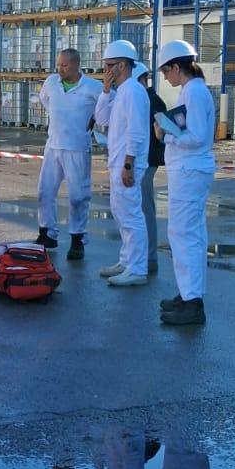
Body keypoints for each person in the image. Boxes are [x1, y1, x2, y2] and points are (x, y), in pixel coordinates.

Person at [154, 39, 216, 327]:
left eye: (166, 72)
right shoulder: (193, 91)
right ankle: (189, 294)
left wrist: (166, 133)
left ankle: (192, 302)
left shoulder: (194, 93)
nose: (166, 78)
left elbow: (198, 137)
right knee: (192, 234)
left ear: (177, 67)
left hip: (190, 171)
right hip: (191, 172)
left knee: (183, 234)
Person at [34, 47, 102, 261]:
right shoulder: (51, 82)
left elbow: (107, 107)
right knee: (44, 192)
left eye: (64, 65)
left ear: (76, 65)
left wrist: (91, 124)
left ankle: (77, 239)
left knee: (78, 196)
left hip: (77, 148)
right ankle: (47, 233)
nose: (60, 68)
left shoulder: (93, 87)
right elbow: (45, 101)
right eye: (58, 64)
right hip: (53, 145)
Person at [93, 39, 150, 288]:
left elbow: (136, 131)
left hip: (128, 163)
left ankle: (137, 268)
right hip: (118, 162)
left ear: (123, 65)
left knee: (131, 216)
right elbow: (101, 119)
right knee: (120, 213)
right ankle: (127, 261)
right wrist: (105, 91)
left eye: (110, 66)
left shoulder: (134, 92)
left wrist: (129, 164)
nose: (107, 70)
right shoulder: (122, 91)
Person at [134, 62, 166, 275]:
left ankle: (150, 257)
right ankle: (140, 256)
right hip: (141, 160)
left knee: (145, 209)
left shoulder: (152, 101)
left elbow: (158, 135)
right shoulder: (144, 99)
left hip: (146, 161)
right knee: (139, 209)